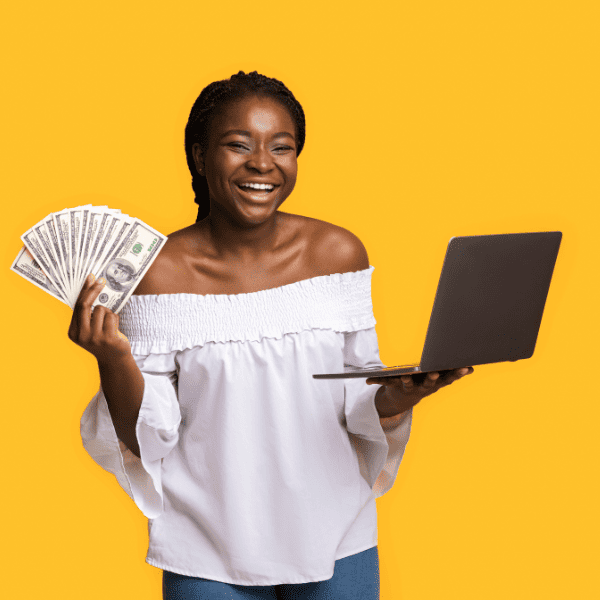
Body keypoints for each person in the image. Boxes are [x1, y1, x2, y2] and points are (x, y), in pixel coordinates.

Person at [70, 71, 474, 600]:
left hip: (337, 535)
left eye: (281, 147)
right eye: (238, 145)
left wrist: (406, 391)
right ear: (198, 156)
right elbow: (150, 435)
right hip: (207, 544)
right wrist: (112, 357)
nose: (262, 163)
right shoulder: (154, 272)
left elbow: (358, 399)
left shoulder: (338, 254)